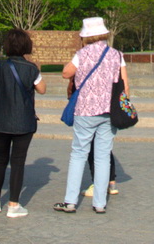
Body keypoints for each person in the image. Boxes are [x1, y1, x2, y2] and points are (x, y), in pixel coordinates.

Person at [53, 17, 127, 214]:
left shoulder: (81, 54)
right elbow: (125, 86)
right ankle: (100, 203)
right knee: (103, 156)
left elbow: (65, 73)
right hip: (108, 111)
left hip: (85, 110)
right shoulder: (116, 55)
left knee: (78, 153)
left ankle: (70, 201)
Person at [0, 29, 45, 218]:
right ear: (26, 46)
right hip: (23, 121)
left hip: (1, 120)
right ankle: (14, 204)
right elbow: (42, 89)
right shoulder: (31, 68)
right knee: (18, 162)